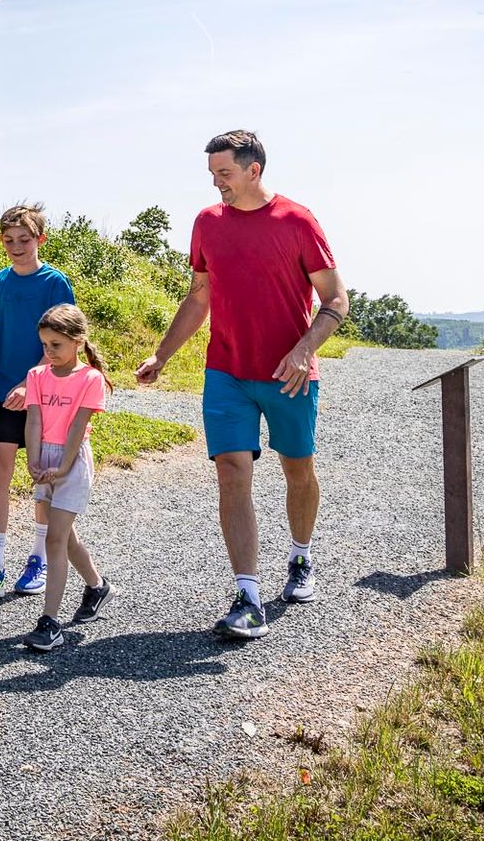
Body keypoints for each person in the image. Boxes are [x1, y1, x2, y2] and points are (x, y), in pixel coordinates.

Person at [135, 130, 347, 642]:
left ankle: (301, 557)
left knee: (298, 470)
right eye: (212, 175)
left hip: (289, 375)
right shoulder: (207, 223)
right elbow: (199, 296)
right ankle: (248, 597)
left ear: (254, 170)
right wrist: (162, 354)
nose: (217, 184)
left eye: (225, 174)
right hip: (226, 371)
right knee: (232, 474)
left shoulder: (297, 221)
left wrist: (304, 349)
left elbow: (336, 299)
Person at [0, 203, 76, 599]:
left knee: (43, 478)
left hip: (49, 395)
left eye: (24, 239)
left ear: (39, 239)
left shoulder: (55, 283)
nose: (16, 246)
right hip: (7, 393)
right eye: (9, 240)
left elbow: (64, 340)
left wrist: (33, 384)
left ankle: (38, 560)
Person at [20, 304, 113, 652]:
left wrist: (62, 467)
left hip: (72, 461)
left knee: (54, 539)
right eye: (45, 345)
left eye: (56, 345)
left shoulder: (90, 379)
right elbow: (33, 420)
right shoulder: (36, 375)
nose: (49, 351)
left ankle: (50, 622)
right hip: (44, 459)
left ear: (78, 341)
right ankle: (97, 586)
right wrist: (33, 460)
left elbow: (77, 426)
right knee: (64, 537)